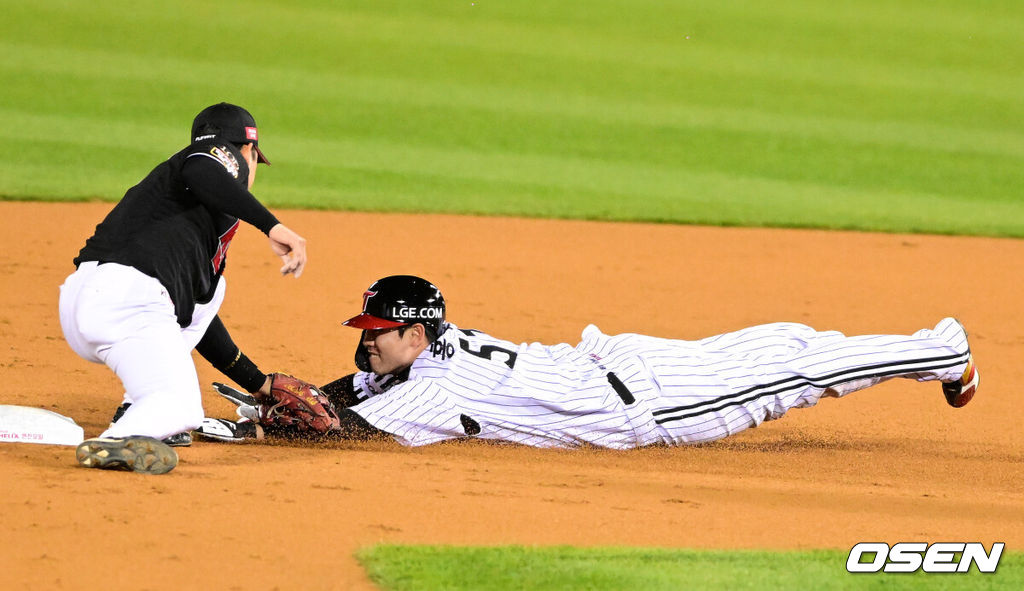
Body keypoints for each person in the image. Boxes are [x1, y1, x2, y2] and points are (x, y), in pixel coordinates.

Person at [198, 275, 979, 449]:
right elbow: (351, 388)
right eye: (366, 325)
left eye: (379, 327)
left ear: (418, 334)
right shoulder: (425, 352)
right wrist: (270, 399)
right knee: (789, 342)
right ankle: (936, 350)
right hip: (622, 360)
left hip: (651, 401)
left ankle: (943, 347)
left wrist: (260, 423)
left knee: (797, 371)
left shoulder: (437, 383)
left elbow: (347, 428)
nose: (366, 338)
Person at [60, 103, 308, 474]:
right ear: (247, 151)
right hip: (128, 298)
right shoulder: (214, 158)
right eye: (253, 158)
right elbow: (202, 168)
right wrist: (272, 226)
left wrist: (259, 384)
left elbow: (198, 320)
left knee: (211, 291)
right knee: (183, 408)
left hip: (94, 302)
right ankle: (120, 437)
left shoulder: (186, 213)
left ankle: (139, 405)